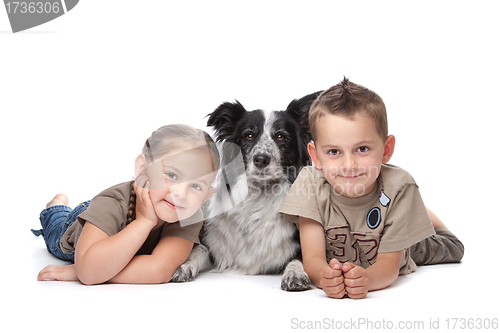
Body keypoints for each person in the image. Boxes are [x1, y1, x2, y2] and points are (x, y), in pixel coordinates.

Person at [279, 78, 464, 299]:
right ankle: (413, 209)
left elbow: (388, 266)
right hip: (357, 249)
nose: (349, 165)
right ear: (316, 156)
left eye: (362, 148)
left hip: (409, 247)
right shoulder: (310, 183)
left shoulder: (398, 186)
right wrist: (323, 276)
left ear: (386, 149)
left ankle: (417, 211)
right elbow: (313, 259)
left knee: (455, 247)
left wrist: (367, 280)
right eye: (334, 152)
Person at [32, 124, 219, 285]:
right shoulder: (112, 202)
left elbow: (159, 269)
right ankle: (56, 205)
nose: (181, 193)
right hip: (79, 228)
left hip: (108, 239)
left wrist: (88, 272)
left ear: (206, 196)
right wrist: (144, 221)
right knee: (56, 226)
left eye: (195, 186)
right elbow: (89, 272)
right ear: (142, 168)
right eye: (171, 175)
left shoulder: (189, 215)